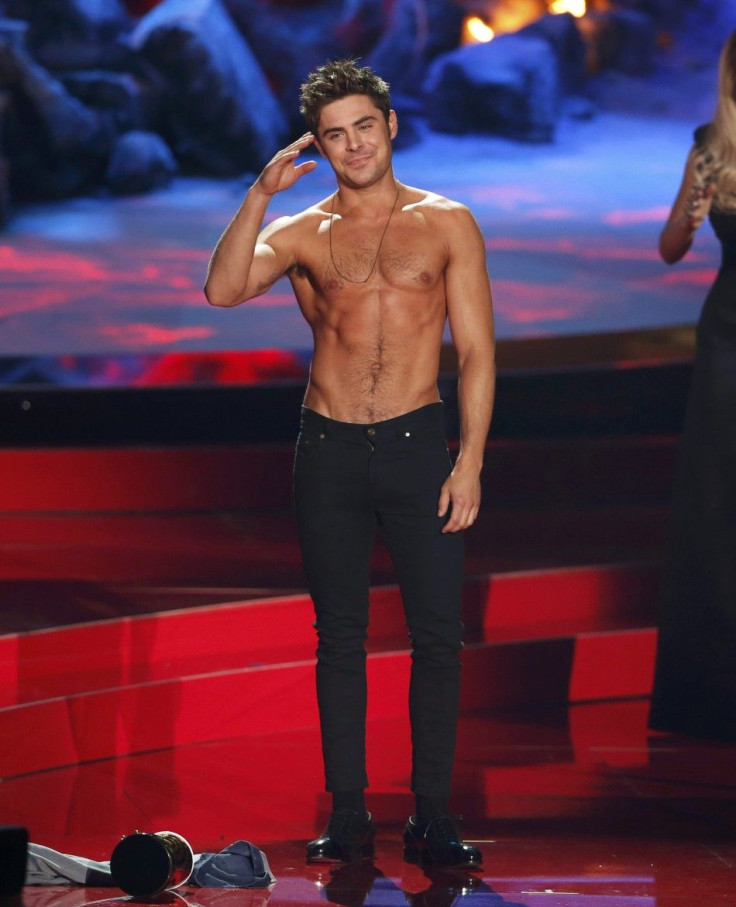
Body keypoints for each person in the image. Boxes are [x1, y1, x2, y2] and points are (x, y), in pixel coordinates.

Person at [204, 59, 495, 866]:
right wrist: (260, 194)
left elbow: (475, 353)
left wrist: (468, 461)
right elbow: (222, 292)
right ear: (321, 147)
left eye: (365, 126)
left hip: (416, 444)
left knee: (438, 637)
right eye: (336, 135)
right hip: (327, 448)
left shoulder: (448, 223)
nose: (353, 144)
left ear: (391, 125)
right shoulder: (300, 231)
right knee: (340, 637)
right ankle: (351, 812)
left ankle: (433, 812)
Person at [648, 30, 736, 741]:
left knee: (718, 504)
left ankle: (707, 691)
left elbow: (673, 244)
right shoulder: (711, 146)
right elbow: (673, 246)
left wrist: (700, 200)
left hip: (727, 335)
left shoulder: (715, 145)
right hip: (727, 341)